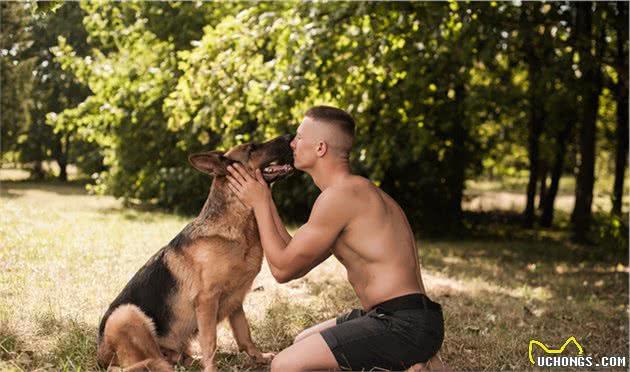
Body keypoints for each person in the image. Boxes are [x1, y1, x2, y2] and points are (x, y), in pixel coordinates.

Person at [226, 106, 445, 372]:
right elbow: (292, 256)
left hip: (403, 325)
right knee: (301, 341)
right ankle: (413, 365)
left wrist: (259, 204)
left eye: (299, 137)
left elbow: (282, 270)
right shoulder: (352, 192)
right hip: (396, 317)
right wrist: (265, 196)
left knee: (285, 365)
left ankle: (414, 362)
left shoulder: (341, 196)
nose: (292, 143)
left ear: (320, 148)